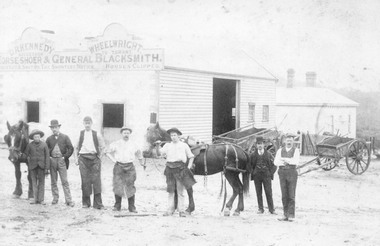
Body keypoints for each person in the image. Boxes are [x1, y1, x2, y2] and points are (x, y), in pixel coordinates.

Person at [155, 127, 196, 217]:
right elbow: (159, 154)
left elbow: (191, 156)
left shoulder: (184, 145)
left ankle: (181, 211)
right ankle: (170, 210)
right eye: (171, 135)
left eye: (175, 135)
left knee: (180, 191)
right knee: (171, 191)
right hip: (169, 169)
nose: (173, 137)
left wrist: (188, 167)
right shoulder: (167, 145)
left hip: (180, 169)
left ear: (178, 136)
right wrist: (157, 146)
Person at [105, 126, 145, 212]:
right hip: (119, 166)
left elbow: (139, 154)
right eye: (124, 133)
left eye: (127, 133)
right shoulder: (116, 143)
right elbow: (107, 152)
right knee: (117, 186)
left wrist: (142, 163)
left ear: (130, 134)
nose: (126, 135)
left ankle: (131, 207)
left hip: (130, 167)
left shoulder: (134, 144)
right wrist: (114, 160)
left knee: (130, 186)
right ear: (121, 134)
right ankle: (117, 206)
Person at [74, 116, 105, 209]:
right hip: (83, 159)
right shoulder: (80, 134)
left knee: (96, 181)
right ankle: (86, 203)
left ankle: (98, 204)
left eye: (89, 123)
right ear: (83, 123)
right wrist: (76, 159)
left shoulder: (97, 134)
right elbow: (75, 147)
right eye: (85, 123)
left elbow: (103, 147)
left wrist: (100, 157)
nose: (87, 125)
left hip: (94, 159)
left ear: (91, 123)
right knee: (85, 181)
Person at [46, 119, 75, 207]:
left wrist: (65, 157)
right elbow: (46, 150)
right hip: (53, 161)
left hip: (62, 161)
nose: (54, 129)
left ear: (59, 127)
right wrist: (50, 157)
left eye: (56, 127)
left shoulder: (65, 137)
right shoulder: (49, 139)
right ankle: (55, 198)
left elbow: (71, 148)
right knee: (53, 181)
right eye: (52, 128)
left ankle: (69, 200)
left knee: (65, 181)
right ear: (51, 129)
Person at [274, 133, 300, 222]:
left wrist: (285, 160)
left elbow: (295, 161)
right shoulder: (279, 151)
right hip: (282, 173)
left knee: (291, 195)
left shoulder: (296, 151)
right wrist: (288, 161)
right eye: (287, 140)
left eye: (291, 140)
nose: (289, 142)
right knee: (284, 195)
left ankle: (291, 215)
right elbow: (276, 162)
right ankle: (285, 214)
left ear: (293, 142)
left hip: (292, 173)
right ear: (284, 141)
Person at [250, 136, 277, 215]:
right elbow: (249, 165)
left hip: (266, 176)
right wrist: (253, 172)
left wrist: (270, 173)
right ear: (256, 145)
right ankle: (260, 209)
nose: (260, 145)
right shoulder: (253, 155)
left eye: (261, 144)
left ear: (264, 144)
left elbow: (275, 165)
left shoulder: (268, 154)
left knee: (268, 192)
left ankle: (271, 209)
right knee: (258, 192)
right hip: (257, 176)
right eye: (258, 144)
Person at [25, 129, 50, 205]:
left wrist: (47, 167)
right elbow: (26, 154)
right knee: (34, 182)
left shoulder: (44, 145)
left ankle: (41, 199)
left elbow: (47, 156)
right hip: (33, 167)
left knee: (42, 182)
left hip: (41, 166)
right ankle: (35, 199)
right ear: (33, 138)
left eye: (38, 137)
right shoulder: (29, 145)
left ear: (40, 137)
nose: (37, 138)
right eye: (35, 137)